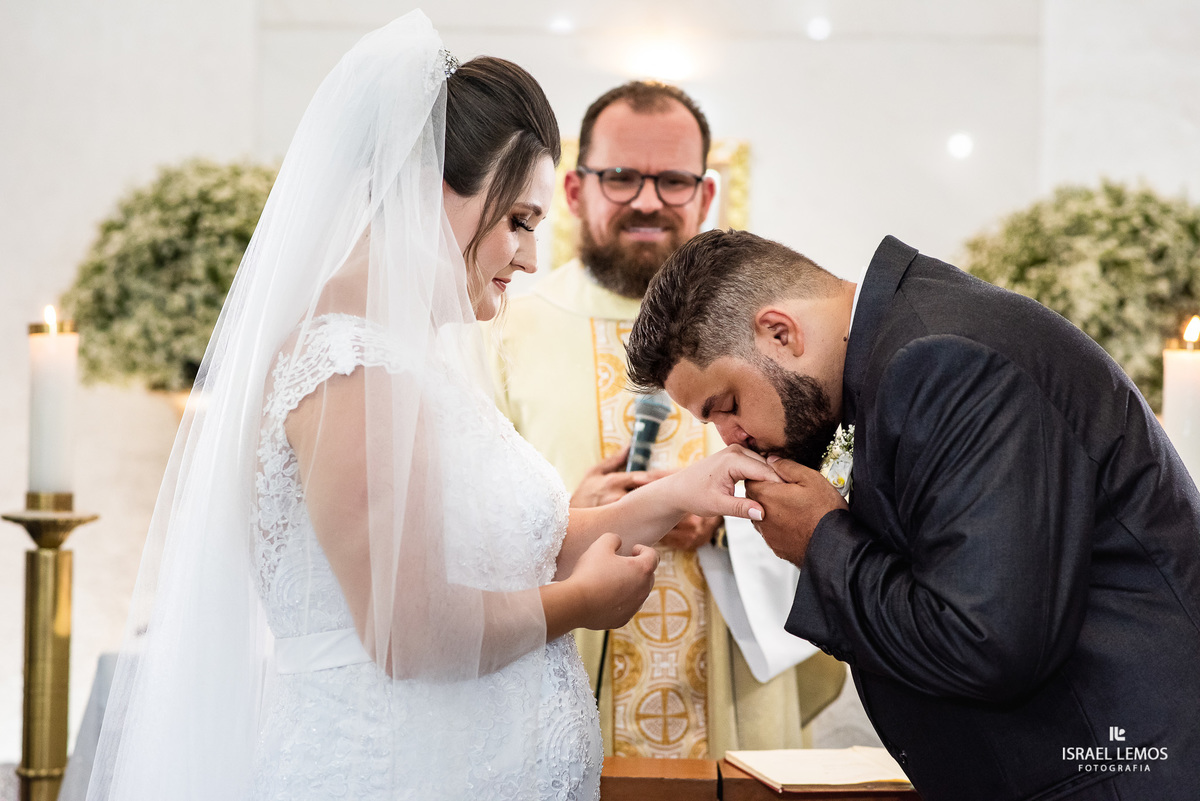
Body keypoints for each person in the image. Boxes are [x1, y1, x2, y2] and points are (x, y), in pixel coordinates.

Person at [83, 15, 779, 801]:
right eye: (518, 221)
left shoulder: (411, 358)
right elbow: (406, 631)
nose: (530, 256)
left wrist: (681, 491)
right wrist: (584, 602)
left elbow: (516, 550)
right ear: (427, 189)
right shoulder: (351, 365)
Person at [625, 228, 1200, 801]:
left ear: (780, 332)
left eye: (726, 406)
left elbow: (986, 643)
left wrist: (821, 540)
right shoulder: (903, 346)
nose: (731, 437)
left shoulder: (941, 360)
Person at [491, 81, 825, 759]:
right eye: (621, 177)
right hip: (561, 680)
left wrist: (727, 527)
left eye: (673, 180)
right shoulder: (503, 328)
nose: (648, 200)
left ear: (705, 195)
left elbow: (835, 497)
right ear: (575, 191)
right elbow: (456, 527)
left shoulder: (776, 330)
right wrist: (566, 519)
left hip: (732, 678)